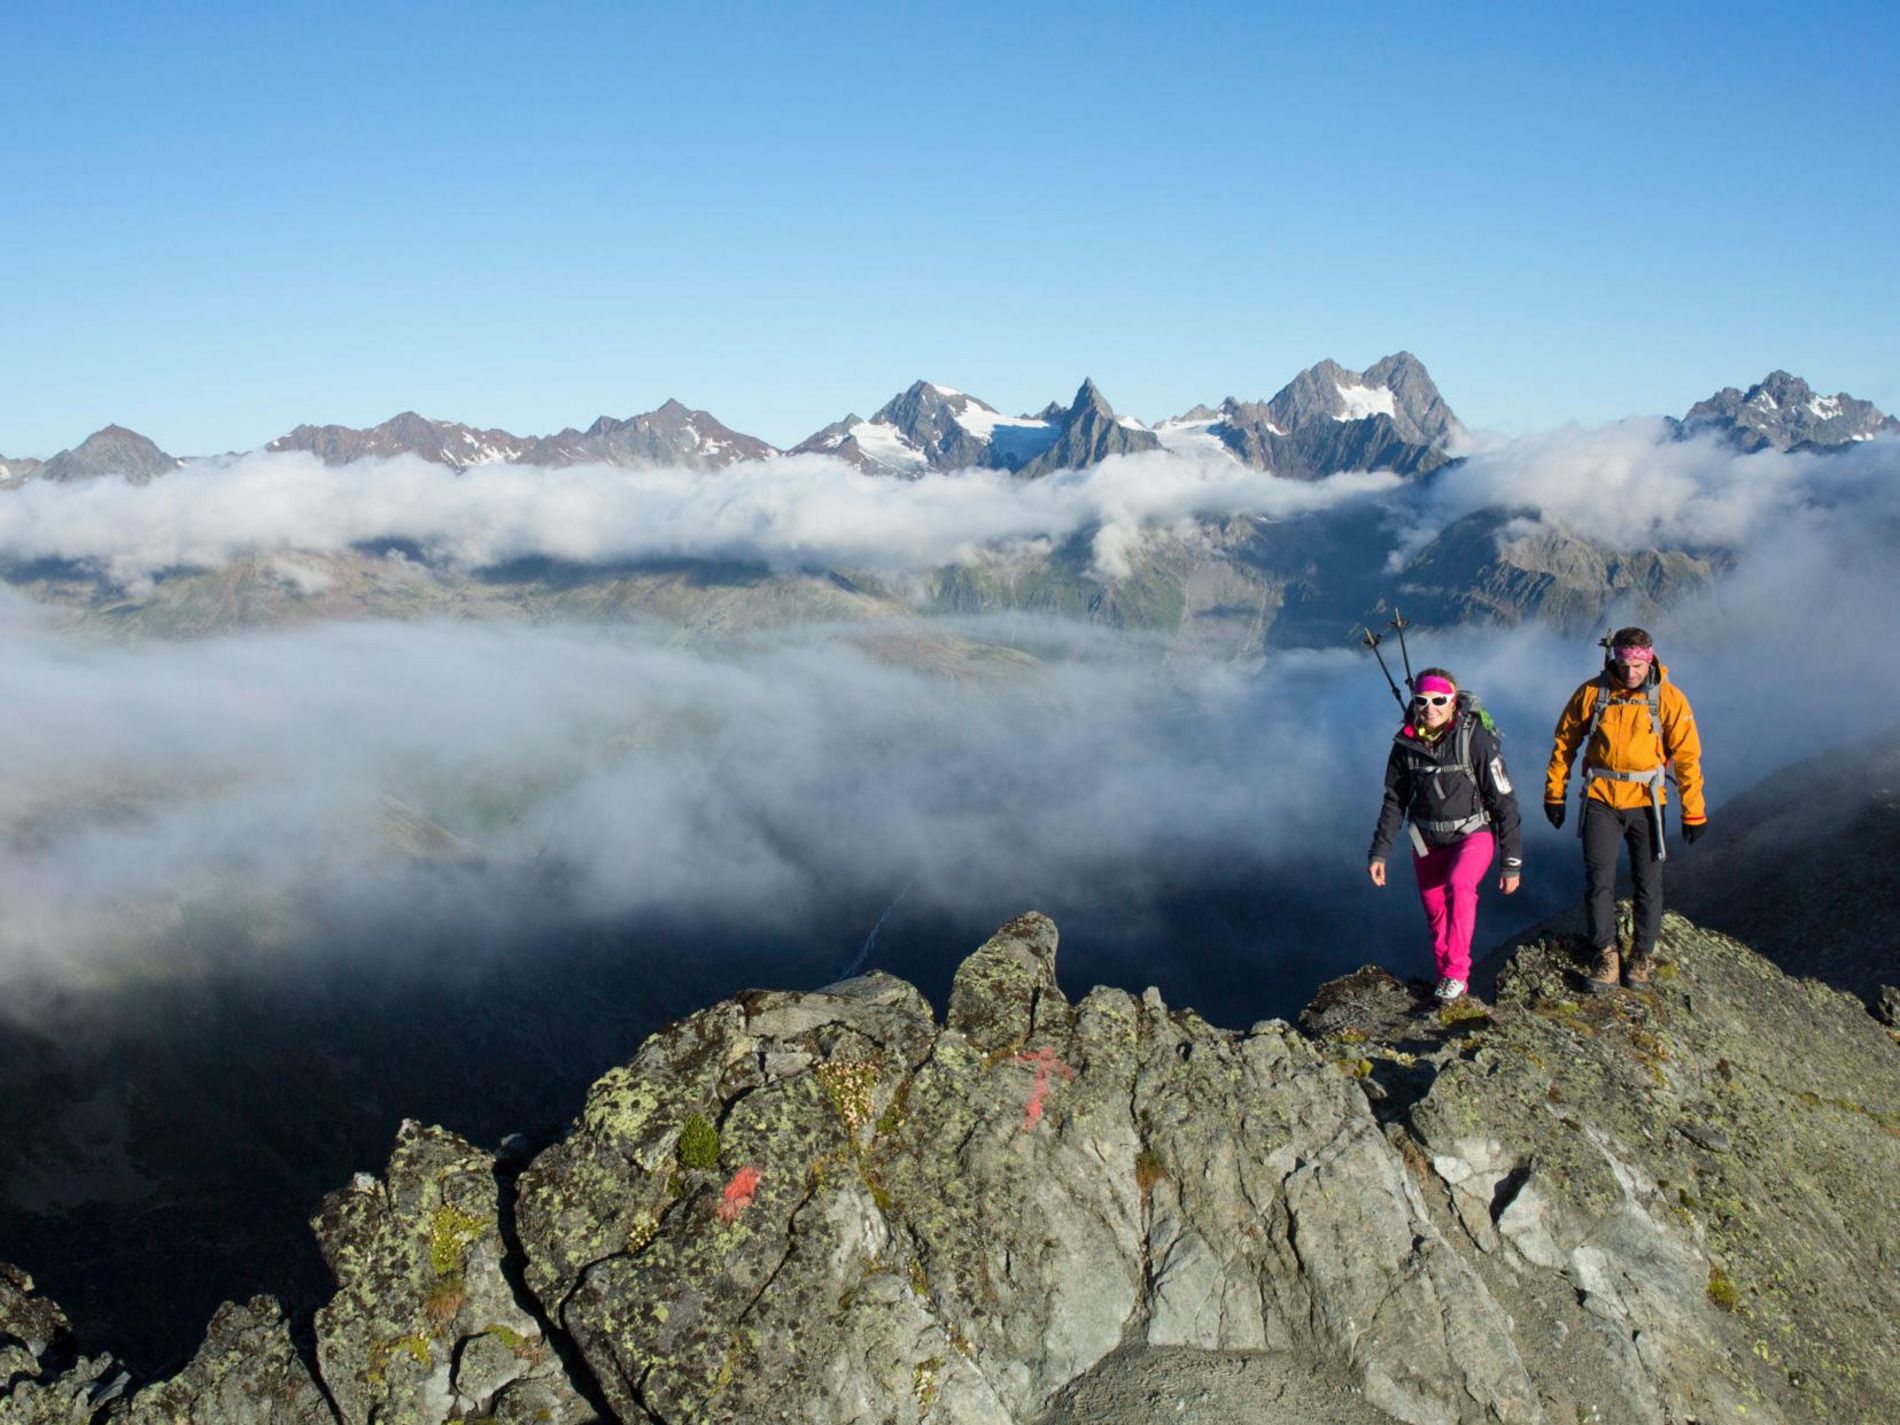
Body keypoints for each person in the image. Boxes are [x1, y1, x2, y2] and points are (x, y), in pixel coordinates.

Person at [1543, 627, 1706, 992]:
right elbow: (1565, 741)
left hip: (1647, 800)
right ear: (1612, 658)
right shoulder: (1593, 693)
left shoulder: (1669, 698)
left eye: (1637, 664)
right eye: (1624, 663)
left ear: (1650, 659)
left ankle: (1641, 956)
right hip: (1601, 797)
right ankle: (1605, 953)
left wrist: (1693, 811)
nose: (1631, 672)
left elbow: (1687, 757)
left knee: (1648, 882)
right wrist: (1555, 793)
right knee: (1598, 880)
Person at [1368, 668, 1523, 1003]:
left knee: (1460, 885)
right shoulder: (1405, 745)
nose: (1431, 707)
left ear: (1454, 702)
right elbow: (1394, 800)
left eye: (1440, 700)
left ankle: (1455, 974)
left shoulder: (1474, 739)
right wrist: (1379, 853)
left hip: (1473, 834)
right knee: (1437, 917)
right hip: (1427, 842)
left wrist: (1511, 862)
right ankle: (1451, 988)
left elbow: (1503, 799)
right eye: (1422, 700)